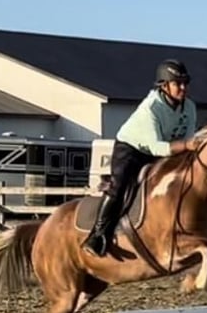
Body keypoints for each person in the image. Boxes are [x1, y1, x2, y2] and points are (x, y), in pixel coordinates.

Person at [82, 59, 199, 257]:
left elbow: (188, 139)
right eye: (177, 83)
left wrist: (190, 148)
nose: (183, 88)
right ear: (164, 85)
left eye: (185, 83)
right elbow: (156, 147)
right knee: (119, 187)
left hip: (164, 149)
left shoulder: (189, 107)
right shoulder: (151, 108)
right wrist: (187, 145)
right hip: (131, 149)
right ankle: (98, 235)